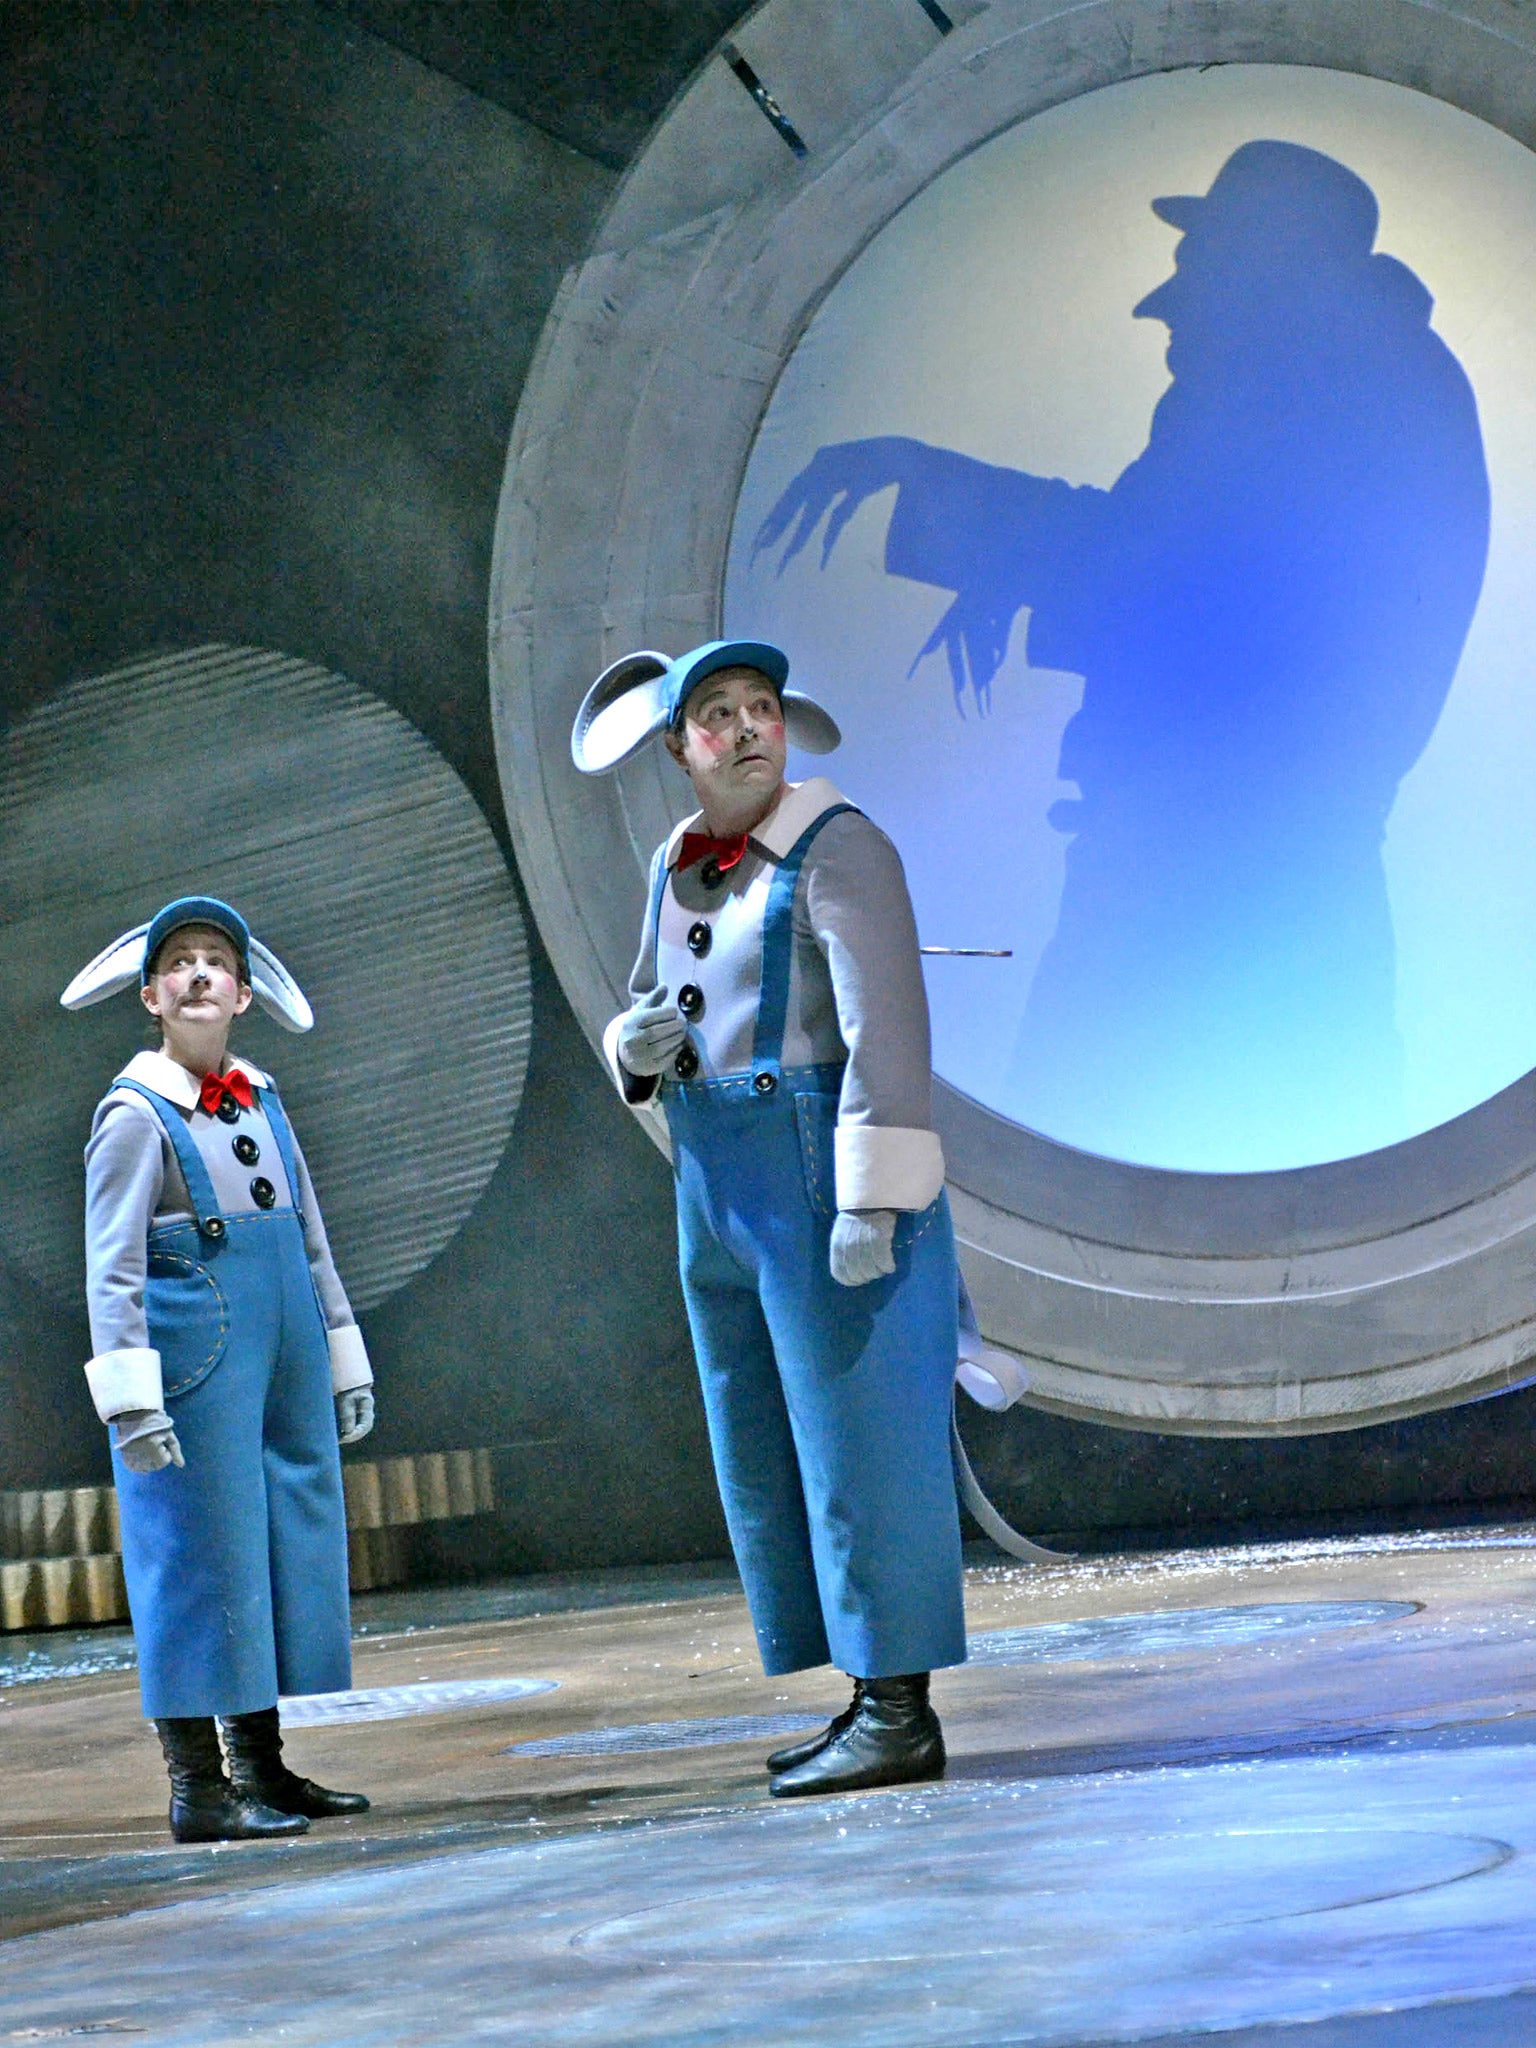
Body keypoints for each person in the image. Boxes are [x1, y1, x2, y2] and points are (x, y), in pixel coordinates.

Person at [757, 140, 1489, 1166]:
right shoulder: (1347, 378)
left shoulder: (1320, 387)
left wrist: (939, 496)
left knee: (1129, 1149)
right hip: (1240, 878)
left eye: (1200, 265)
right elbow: (1170, 564)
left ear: (1266, 263)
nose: (1166, 304)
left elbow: (1164, 572)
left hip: (1205, 887)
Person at [572, 638, 966, 1796]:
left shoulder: (839, 845)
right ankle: (861, 1687)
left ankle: (898, 1711)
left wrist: (874, 1199)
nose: (746, 727)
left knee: (861, 1439)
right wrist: (632, 1045)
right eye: (717, 713)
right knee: (767, 1444)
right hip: (713, 1173)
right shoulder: (675, 862)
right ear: (678, 748)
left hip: (811, 1166)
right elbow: (650, 996)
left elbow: (889, 1026)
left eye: (760, 706)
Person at [62, 896, 374, 1842]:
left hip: (277, 1357)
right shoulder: (134, 1115)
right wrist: (131, 1404)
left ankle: (263, 1768)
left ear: (243, 994)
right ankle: (199, 1786)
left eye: (217, 961)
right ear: (150, 996)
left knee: (266, 1553)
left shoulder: (263, 1101)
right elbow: (111, 1268)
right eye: (179, 962)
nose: (199, 973)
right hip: (192, 1367)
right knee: (195, 1560)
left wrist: (342, 1354)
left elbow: (311, 1239)